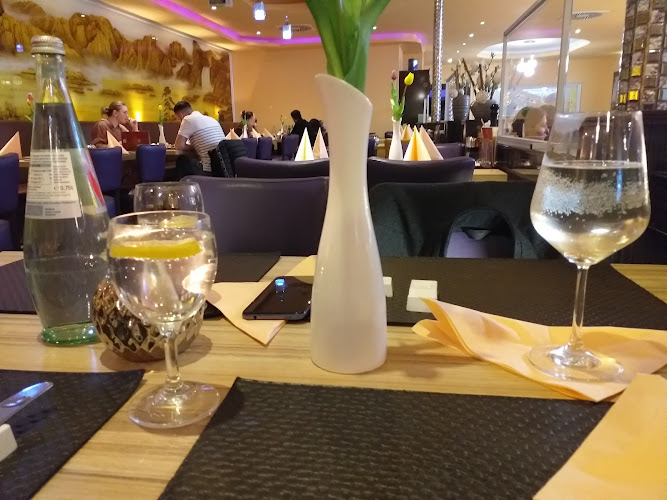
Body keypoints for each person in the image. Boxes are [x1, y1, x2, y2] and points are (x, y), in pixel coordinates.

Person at [173, 100, 224, 177]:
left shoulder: (187, 119)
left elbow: (178, 145)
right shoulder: (211, 119)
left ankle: (185, 184)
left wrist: (194, 146)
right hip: (224, 168)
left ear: (180, 115)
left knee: (182, 160)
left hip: (208, 169)